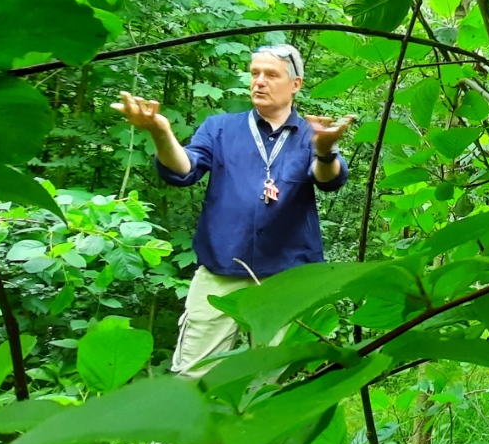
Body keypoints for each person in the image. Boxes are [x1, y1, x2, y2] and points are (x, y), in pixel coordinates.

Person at [112, 43, 357, 375]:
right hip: (220, 270)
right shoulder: (220, 128)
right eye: (255, 73)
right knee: (192, 375)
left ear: (295, 84)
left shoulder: (312, 136)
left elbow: (327, 178)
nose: (259, 81)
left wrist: (325, 151)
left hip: (288, 277)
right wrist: (160, 133)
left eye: (271, 74)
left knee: (273, 380)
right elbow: (184, 169)